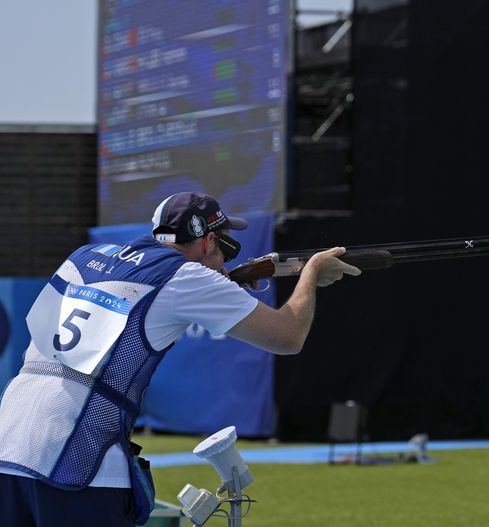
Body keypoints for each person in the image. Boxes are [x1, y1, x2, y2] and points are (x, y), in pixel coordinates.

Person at [0, 191, 361, 526]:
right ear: (207, 242)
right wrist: (311, 274)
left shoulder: (83, 256)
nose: (225, 262)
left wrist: (222, 288)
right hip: (77, 458)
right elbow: (288, 336)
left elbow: (131, 303)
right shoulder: (184, 276)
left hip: (8, 440)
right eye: (226, 249)